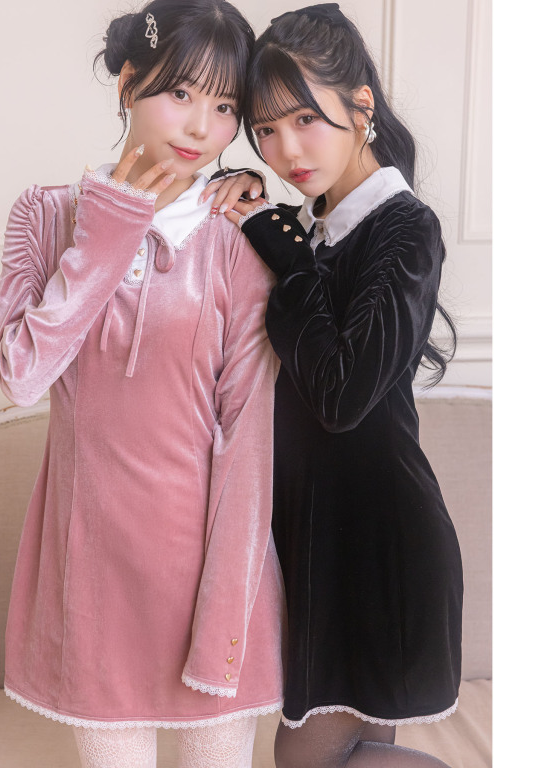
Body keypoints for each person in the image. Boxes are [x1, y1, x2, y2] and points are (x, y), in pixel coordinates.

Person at [0, 2, 285, 766]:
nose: (201, 127)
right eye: (180, 93)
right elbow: (23, 376)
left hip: (211, 587)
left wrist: (223, 626)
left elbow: (248, 444)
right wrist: (110, 230)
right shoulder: (47, 216)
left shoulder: (237, 236)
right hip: (92, 586)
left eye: (224, 106)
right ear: (128, 83)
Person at [203, 3, 464, 766]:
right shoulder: (311, 227)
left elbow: (342, 396)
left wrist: (285, 252)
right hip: (316, 541)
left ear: (361, 106)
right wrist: (255, 211)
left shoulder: (404, 228)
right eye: (265, 130)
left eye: (305, 120)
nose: (286, 149)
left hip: (378, 541)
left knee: (306, 759)